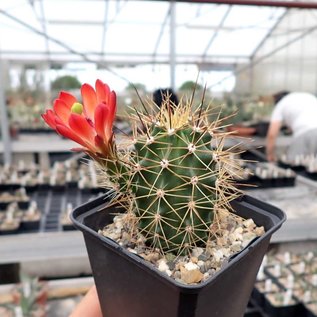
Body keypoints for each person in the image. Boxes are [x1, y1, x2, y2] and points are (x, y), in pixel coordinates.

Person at [266, 91, 317, 162]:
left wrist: (270, 154)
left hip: (304, 133)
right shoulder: (307, 97)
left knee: (293, 164)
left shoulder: (281, 104)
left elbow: (272, 134)